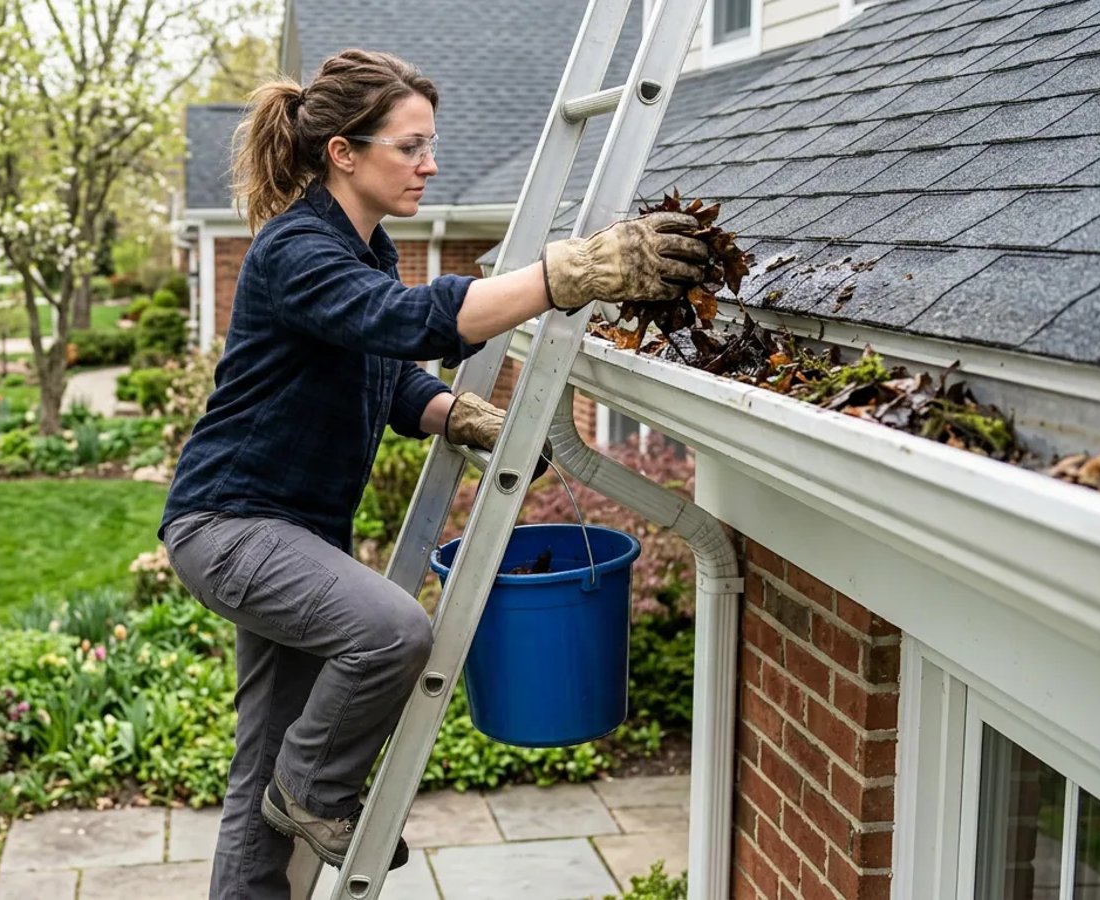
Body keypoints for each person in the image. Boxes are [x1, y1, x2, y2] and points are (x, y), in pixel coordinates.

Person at [159, 48, 707, 899]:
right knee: (392, 633)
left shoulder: (364, 251)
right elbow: (406, 321)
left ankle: (288, 801)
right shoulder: (295, 250)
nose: (431, 163)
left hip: (292, 530)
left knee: (256, 772)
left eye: (431, 144)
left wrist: (448, 412)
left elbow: (381, 367)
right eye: (410, 147)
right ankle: (312, 792)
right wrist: (569, 274)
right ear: (344, 151)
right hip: (231, 523)